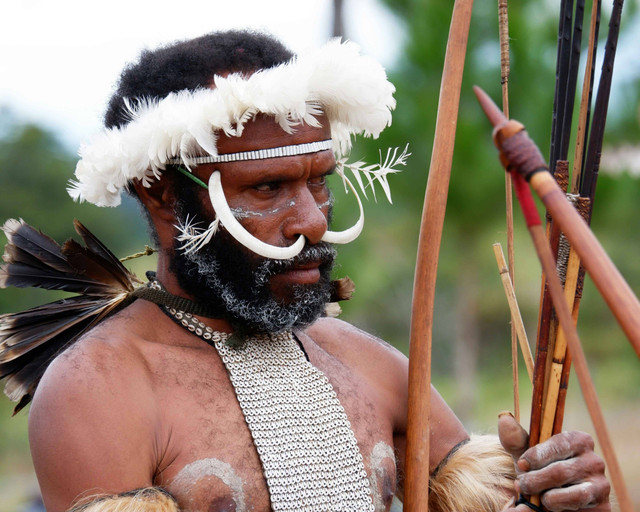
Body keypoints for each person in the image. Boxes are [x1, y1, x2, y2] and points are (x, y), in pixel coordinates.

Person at [8, 30, 610, 511]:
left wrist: (562, 492)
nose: (312, 222)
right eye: (268, 187)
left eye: (318, 181)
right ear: (163, 195)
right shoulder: (101, 389)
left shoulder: (368, 362)